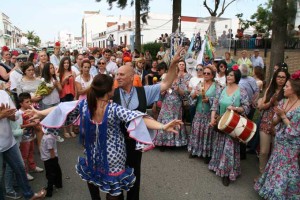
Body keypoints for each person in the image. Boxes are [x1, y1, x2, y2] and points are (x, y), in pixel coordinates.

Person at [29, 74, 182, 200]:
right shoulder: (113, 108)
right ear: (110, 91)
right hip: (114, 156)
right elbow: (138, 118)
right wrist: (162, 126)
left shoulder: (85, 105)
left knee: (92, 177)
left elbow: (61, 108)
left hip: (92, 152)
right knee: (113, 190)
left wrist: (40, 113)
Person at [113, 47, 183, 200]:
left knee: (133, 174)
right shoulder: (112, 93)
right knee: (116, 176)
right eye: (117, 74)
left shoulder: (143, 92)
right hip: (116, 142)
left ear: (132, 77)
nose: (117, 77)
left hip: (134, 143)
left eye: (121, 74)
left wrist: (172, 65)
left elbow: (165, 84)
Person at [254, 70, 300, 199]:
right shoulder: (283, 102)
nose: (284, 87)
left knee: (285, 171)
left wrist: (283, 116)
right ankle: (271, 190)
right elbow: (273, 122)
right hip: (280, 141)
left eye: (287, 86)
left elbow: (295, 131)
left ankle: (281, 194)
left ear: (295, 89)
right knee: (275, 166)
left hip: (291, 146)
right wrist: (279, 116)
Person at [0, 90, 46, 200]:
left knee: (20, 168)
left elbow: (15, 115)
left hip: (9, 142)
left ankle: (29, 195)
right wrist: (1, 115)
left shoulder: (3, 93)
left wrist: (10, 115)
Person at [209, 66, 250, 186]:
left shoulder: (241, 91)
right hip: (221, 122)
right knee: (220, 145)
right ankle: (217, 166)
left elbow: (247, 107)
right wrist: (212, 119)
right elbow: (215, 105)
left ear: (236, 77)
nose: (228, 77)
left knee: (229, 148)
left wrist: (236, 108)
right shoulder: (222, 89)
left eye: (231, 75)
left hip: (234, 124)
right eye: (228, 75)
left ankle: (227, 173)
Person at [254, 68, 290, 181]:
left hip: (279, 124)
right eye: (278, 77)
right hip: (266, 120)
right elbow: (261, 106)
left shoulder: (288, 91)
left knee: (275, 152)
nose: (280, 80)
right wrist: (270, 102)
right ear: (275, 78)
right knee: (264, 151)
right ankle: (262, 174)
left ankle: (272, 177)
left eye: (283, 77)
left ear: (286, 79)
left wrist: (276, 104)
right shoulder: (270, 89)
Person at [154, 60, 192, 148]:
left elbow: (185, 93)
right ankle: (162, 142)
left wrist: (178, 89)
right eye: (172, 71)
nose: (174, 72)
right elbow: (160, 91)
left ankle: (175, 142)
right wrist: (163, 92)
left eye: (175, 70)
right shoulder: (166, 79)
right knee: (165, 121)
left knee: (175, 121)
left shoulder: (180, 80)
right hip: (166, 103)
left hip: (176, 104)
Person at [188, 66, 219, 163]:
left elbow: (218, 100)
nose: (205, 74)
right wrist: (193, 94)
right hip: (198, 112)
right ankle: (195, 150)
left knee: (207, 133)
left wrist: (209, 100)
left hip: (208, 114)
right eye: (204, 73)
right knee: (197, 131)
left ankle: (207, 154)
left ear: (212, 75)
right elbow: (191, 97)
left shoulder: (216, 86)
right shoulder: (199, 84)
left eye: (208, 73)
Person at [18, 93, 44, 181]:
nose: (29, 103)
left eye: (30, 101)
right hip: (23, 139)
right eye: (27, 102)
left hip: (31, 136)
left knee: (31, 152)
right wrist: (31, 124)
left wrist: (36, 121)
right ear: (21, 103)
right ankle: (25, 172)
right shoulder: (19, 113)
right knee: (24, 155)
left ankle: (32, 167)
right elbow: (19, 126)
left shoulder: (30, 110)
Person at [40, 129, 62, 197]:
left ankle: (49, 191)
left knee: (50, 175)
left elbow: (51, 149)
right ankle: (58, 184)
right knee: (57, 171)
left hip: (50, 159)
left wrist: (53, 160)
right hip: (50, 158)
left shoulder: (48, 137)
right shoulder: (49, 134)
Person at [58, 57, 76, 138]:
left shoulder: (72, 72)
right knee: (64, 113)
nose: (66, 64)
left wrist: (76, 95)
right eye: (64, 63)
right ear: (62, 64)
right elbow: (59, 87)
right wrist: (64, 80)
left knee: (72, 113)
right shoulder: (59, 73)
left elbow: (75, 84)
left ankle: (71, 130)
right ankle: (65, 130)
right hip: (63, 95)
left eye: (67, 63)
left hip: (71, 94)